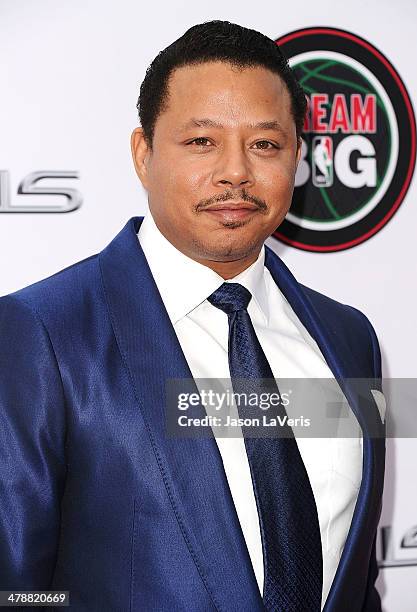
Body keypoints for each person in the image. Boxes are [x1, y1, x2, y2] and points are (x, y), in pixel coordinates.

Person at [0, 20, 385, 612]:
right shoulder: (40, 334)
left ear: (297, 158)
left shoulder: (348, 336)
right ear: (143, 153)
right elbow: (16, 589)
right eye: (202, 142)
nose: (236, 172)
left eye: (265, 144)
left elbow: (354, 575)